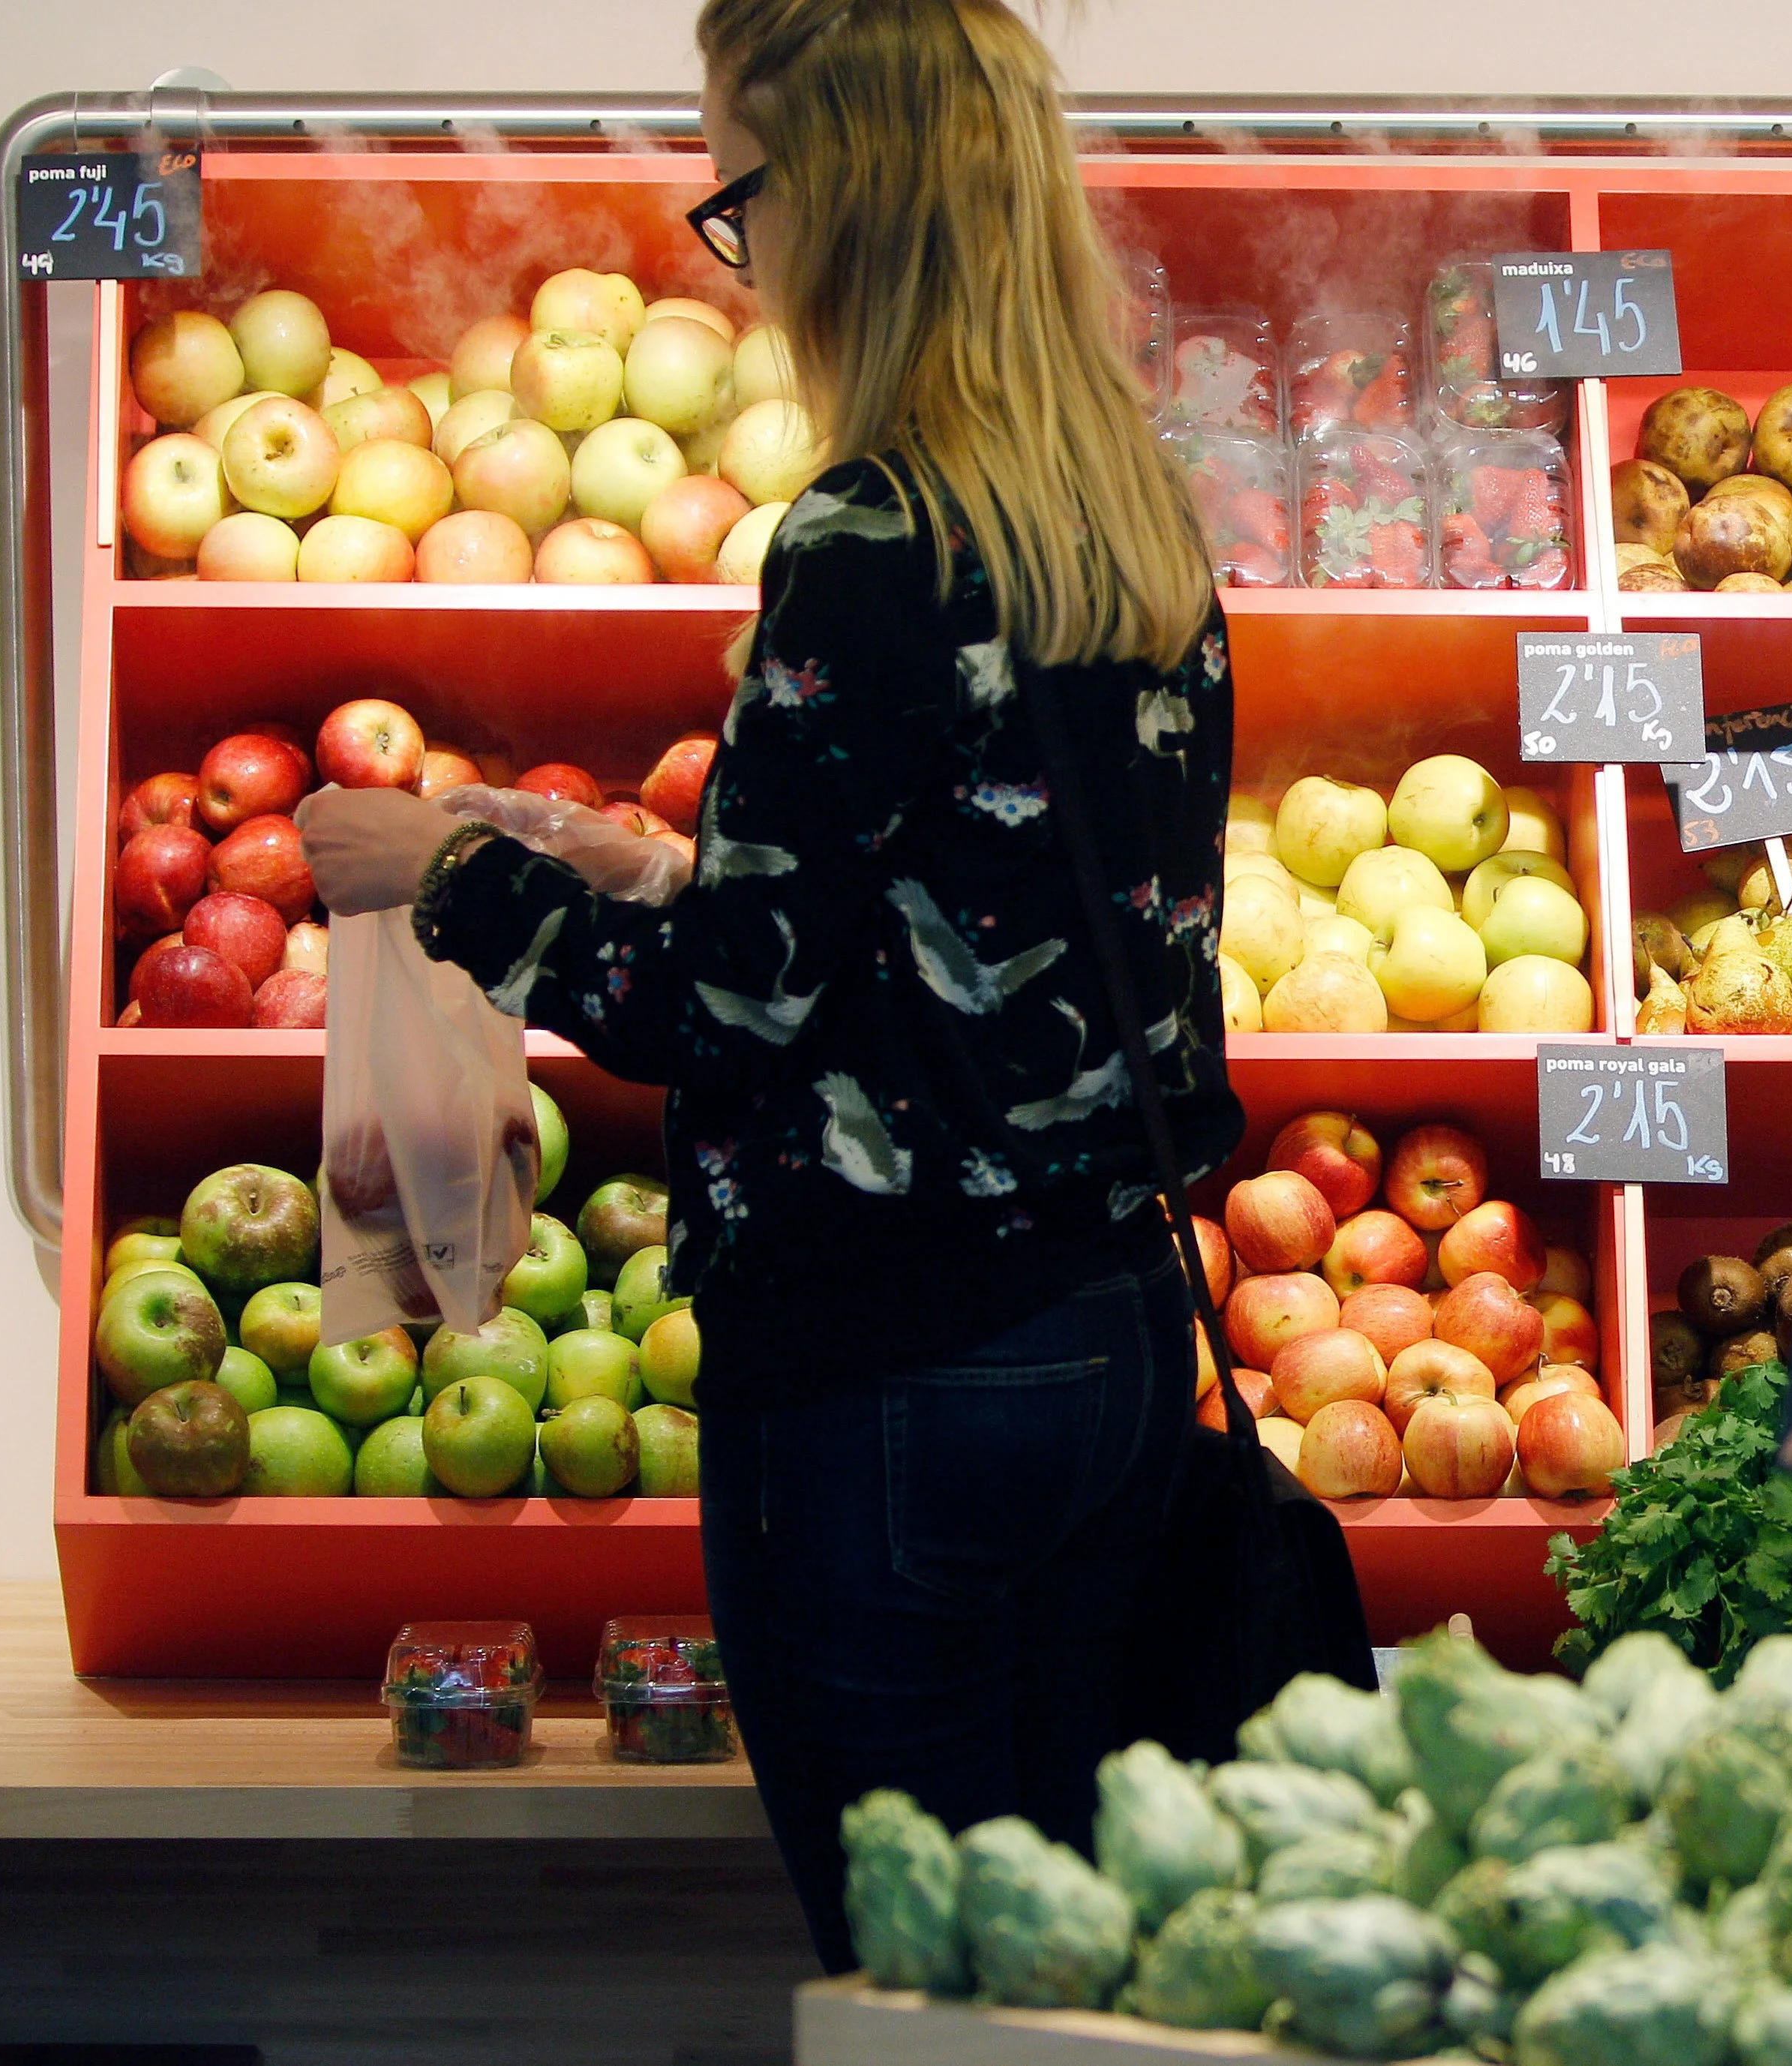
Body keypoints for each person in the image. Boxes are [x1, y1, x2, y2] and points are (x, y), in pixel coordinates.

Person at [298, 0, 1234, 1973]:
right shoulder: (1126, 518)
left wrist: (451, 877)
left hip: (894, 1380)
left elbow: (718, 1015)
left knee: (912, 1978)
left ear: (857, 204)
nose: (746, 246)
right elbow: (972, 916)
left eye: (744, 193)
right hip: (1115, 1340)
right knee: (1061, 1970)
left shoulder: (869, 532)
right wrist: (639, 860)